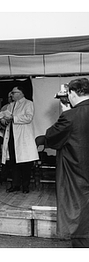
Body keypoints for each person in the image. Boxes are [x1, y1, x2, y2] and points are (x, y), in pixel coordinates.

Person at [45, 78, 89, 247]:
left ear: (71, 93)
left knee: (80, 223)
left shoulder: (70, 116)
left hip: (77, 175)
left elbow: (51, 138)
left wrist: (64, 113)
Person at [0, 86, 38, 193]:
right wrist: (3, 121)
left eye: (14, 92)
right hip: (12, 136)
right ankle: (15, 185)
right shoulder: (11, 105)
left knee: (25, 163)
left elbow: (28, 117)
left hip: (23, 137)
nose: (12, 94)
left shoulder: (28, 103)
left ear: (21, 93)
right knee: (13, 163)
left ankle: (25, 186)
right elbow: (4, 116)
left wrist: (13, 118)